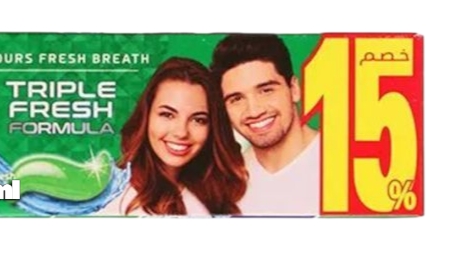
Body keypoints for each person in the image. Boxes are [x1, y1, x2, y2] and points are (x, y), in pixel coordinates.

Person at [99, 57, 247, 216]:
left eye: (198, 120)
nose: (181, 132)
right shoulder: (114, 196)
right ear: (146, 116)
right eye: (167, 115)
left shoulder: (212, 191)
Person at [211, 34, 320, 216]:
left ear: (294, 89)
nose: (254, 111)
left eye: (266, 90)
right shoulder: (225, 185)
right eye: (236, 99)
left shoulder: (348, 165)